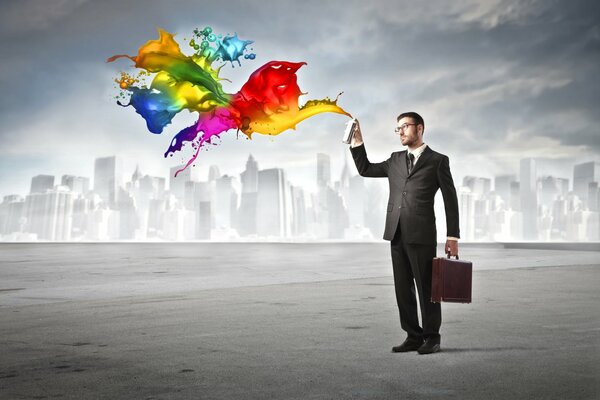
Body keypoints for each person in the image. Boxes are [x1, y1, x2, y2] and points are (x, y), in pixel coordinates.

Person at [349, 112, 459, 355]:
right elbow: (365, 169)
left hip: (422, 233)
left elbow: (451, 200)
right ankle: (413, 335)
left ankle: (432, 337)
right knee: (402, 288)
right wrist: (357, 141)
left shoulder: (438, 161)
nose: (400, 131)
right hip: (396, 231)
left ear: (419, 128)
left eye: (405, 126)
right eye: (397, 128)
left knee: (427, 288)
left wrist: (453, 237)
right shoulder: (395, 160)